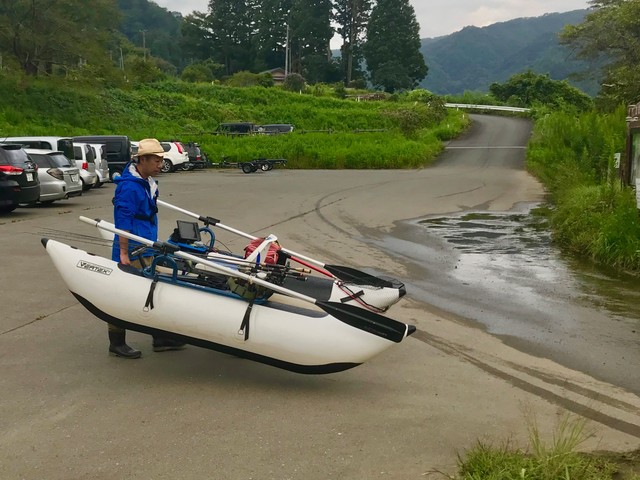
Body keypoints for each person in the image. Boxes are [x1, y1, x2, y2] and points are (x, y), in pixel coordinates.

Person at [109, 138, 186, 359]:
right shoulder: (129, 187)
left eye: (161, 160)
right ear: (142, 160)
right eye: (156, 160)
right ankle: (116, 343)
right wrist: (123, 253)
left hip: (147, 246)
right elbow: (123, 221)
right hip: (132, 247)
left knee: (153, 290)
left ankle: (159, 338)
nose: (160, 165)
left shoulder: (147, 182)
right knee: (123, 295)